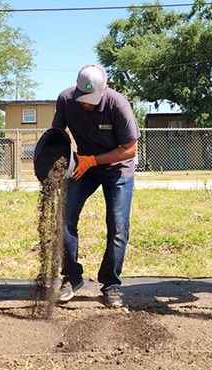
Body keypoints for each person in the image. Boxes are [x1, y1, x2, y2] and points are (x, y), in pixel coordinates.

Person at [52, 63, 140, 308]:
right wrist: (51, 156)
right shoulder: (67, 99)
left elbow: (130, 149)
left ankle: (111, 284)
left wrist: (93, 160)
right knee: (64, 217)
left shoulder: (117, 104)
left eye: (91, 99)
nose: (86, 104)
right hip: (83, 167)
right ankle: (71, 277)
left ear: (105, 88)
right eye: (83, 98)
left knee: (118, 227)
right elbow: (56, 135)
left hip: (117, 169)